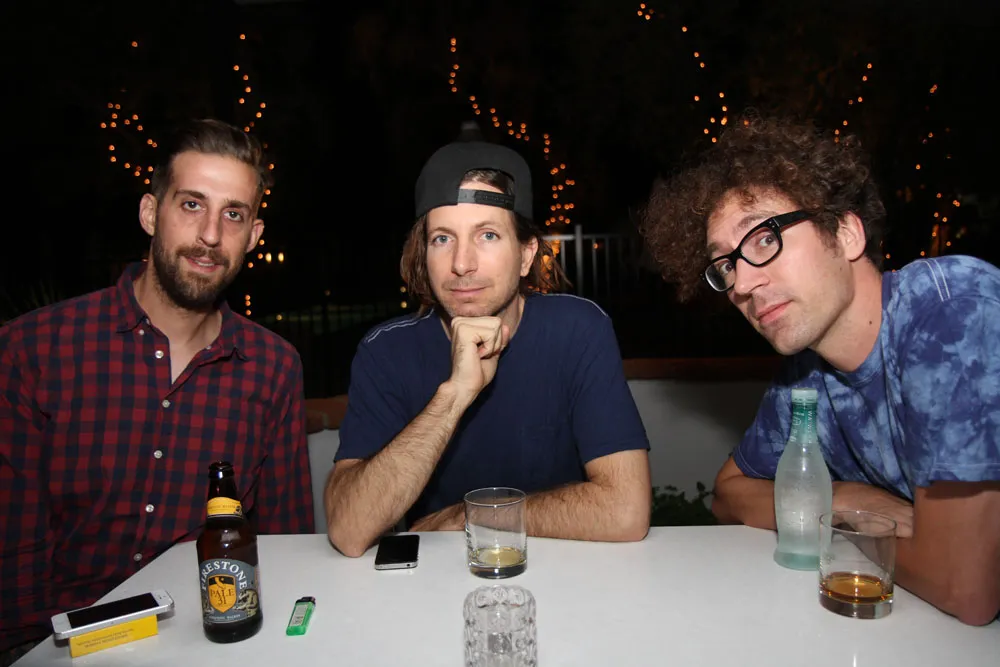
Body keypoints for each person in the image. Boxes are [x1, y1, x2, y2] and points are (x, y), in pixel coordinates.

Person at [638, 112, 1000, 625]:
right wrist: (842, 501)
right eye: (727, 264)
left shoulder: (952, 313)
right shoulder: (806, 375)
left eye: (765, 238)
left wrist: (836, 524)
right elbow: (728, 494)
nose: (742, 284)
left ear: (847, 233)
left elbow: (965, 588)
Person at [0, 119, 314, 663]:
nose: (210, 235)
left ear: (253, 236)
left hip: (214, 644)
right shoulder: (35, 351)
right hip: (62, 649)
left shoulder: (273, 368)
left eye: (233, 214)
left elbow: (287, 549)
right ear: (150, 213)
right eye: (192, 205)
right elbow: (14, 568)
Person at [324, 138, 652, 557]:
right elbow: (348, 531)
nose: (462, 263)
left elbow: (626, 512)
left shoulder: (577, 330)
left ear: (526, 255)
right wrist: (454, 395)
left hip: (568, 570)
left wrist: (468, 517)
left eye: (488, 235)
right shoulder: (386, 352)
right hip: (435, 581)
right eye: (442, 239)